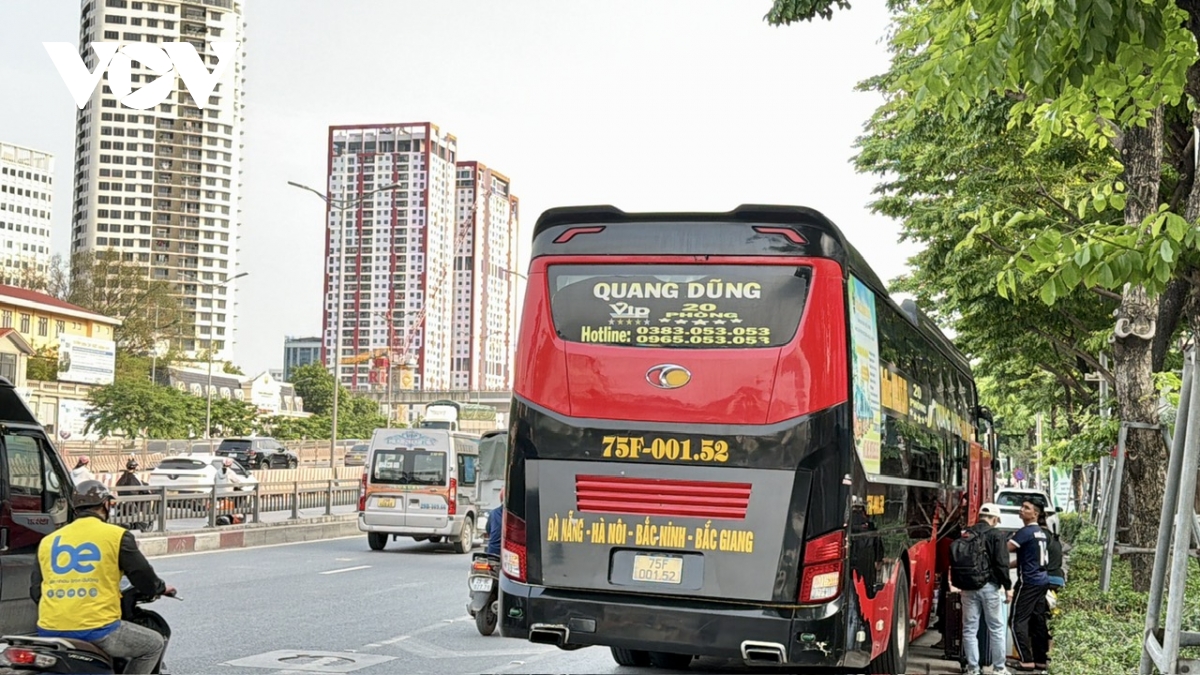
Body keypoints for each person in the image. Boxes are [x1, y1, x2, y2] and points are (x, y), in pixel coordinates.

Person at [29, 480, 174, 674]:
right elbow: (142, 575)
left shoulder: (48, 541)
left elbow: (36, 591)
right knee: (154, 644)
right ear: (106, 504)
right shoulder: (117, 536)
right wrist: (159, 588)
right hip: (97, 629)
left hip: (49, 628)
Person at [957, 503, 1013, 675]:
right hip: (989, 586)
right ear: (994, 519)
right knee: (996, 627)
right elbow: (1002, 563)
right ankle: (999, 668)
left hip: (967, 587)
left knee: (969, 628)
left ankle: (973, 669)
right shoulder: (996, 535)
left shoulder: (966, 533)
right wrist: (1007, 587)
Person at [1007, 499, 1052, 672]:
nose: (1022, 510)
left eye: (1027, 508)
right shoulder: (1040, 533)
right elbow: (1027, 559)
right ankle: (1040, 660)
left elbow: (1006, 549)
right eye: (1022, 507)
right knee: (1037, 621)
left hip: (1029, 582)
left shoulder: (1025, 532)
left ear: (1036, 513)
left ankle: (1026, 660)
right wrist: (1009, 565)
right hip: (1042, 581)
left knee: (1017, 620)